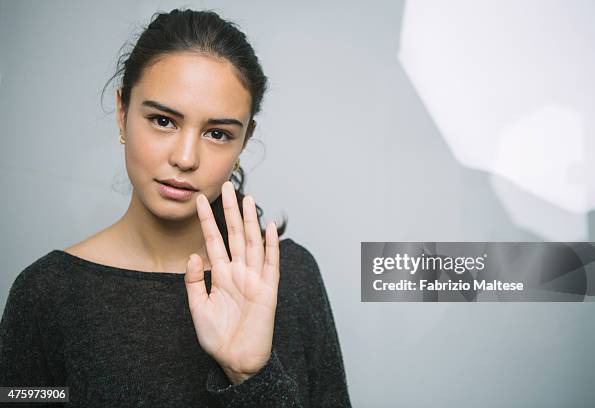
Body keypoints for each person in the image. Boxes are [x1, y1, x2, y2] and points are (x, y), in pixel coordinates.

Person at [0, 8, 352, 407]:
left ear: (244, 140)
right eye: (163, 121)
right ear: (122, 112)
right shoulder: (46, 294)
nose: (185, 158)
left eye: (217, 133)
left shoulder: (292, 277)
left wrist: (250, 375)